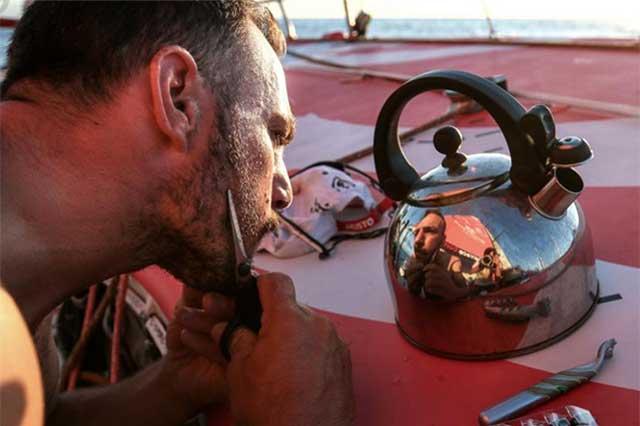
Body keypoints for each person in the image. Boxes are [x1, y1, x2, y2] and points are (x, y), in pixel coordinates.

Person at [0, 2, 354, 426]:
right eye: (274, 134)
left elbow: (38, 418)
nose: (282, 192)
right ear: (177, 97)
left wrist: (172, 388)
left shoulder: (26, 293)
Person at [403, 210, 469, 301]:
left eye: (430, 231)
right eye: (416, 232)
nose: (417, 240)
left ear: (442, 240)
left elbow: (466, 292)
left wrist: (453, 292)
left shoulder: (452, 261)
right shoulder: (413, 259)